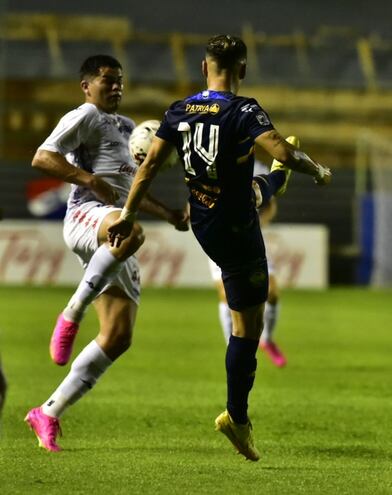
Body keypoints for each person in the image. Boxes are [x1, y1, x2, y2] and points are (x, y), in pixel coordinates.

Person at [107, 35, 331, 461]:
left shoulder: (180, 109)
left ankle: (270, 183)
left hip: (206, 217)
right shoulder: (244, 109)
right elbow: (281, 148)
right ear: (242, 70)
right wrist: (316, 170)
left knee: (256, 188)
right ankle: (237, 417)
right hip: (236, 230)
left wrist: (128, 215)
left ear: (203, 67)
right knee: (248, 328)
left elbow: (150, 166)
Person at [24, 54, 189, 452]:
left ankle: (48, 411)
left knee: (118, 336)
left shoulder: (128, 128)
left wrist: (167, 212)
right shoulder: (84, 115)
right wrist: (87, 179)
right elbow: (42, 157)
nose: (116, 87)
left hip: (112, 225)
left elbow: (129, 191)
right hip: (86, 216)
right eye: (107, 80)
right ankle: (72, 312)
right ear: (87, 86)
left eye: (119, 81)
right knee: (130, 231)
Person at [208, 159, 287, 367]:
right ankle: (232, 348)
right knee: (227, 294)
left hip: (251, 236)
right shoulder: (210, 163)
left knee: (273, 292)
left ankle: (267, 340)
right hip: (220, 237)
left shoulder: (258, 168)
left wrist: (257, 223)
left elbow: (270, 204)